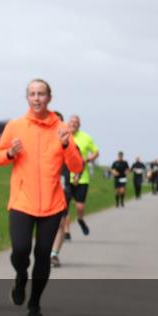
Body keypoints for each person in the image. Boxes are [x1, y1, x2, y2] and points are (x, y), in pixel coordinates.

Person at [0, 80, 83, 316]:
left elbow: (77, 166)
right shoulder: (15, 126)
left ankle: (34, 304)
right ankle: (21, 276)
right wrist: (11, 153)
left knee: (43, 255)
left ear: (49, 97)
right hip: (22, 201)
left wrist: (66, 144)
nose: (36, 98)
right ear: (27, 97)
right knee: (21, 250)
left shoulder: (62, 128)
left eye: (41, 94)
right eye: (32, 94)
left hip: (53, 204)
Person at [50, 114, 99, 267]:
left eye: (76, 122)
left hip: (79, 177)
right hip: (60, 180)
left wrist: (87, 161)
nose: (73, 124)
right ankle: (67, 232)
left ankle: (79, 220)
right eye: (71, 122)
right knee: (65, 208)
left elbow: (81, 157)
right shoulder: (52, 137)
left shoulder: (83, 138)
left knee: (78, 207)